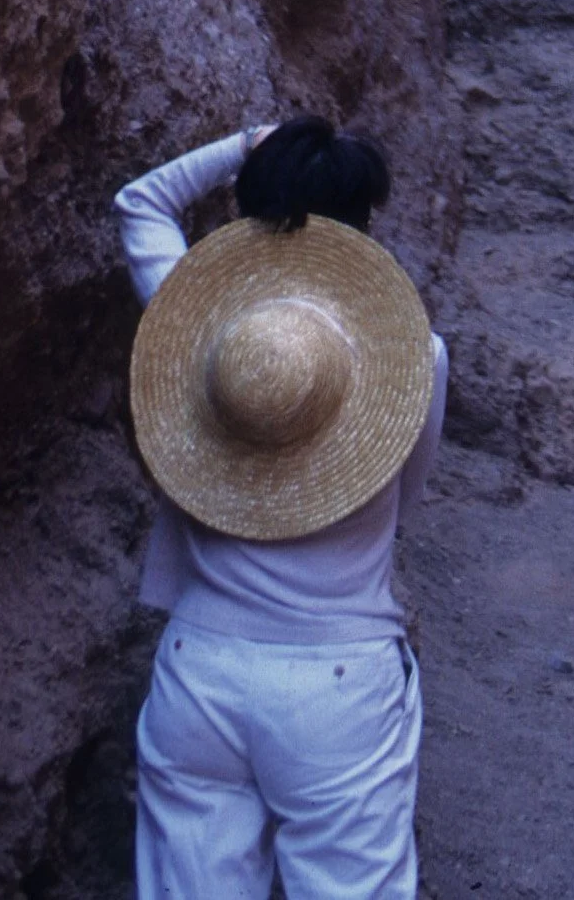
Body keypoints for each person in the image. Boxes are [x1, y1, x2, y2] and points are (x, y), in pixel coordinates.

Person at [118, 114, 448, 900]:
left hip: (199, 673)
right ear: (361, 230)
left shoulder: (197, 336)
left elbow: (139, 202)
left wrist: (243, 143)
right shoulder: (417, 361)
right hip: (340, 683)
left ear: (246, 215)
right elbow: (408, 494)